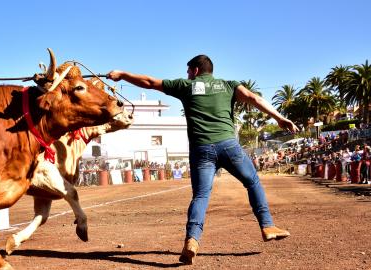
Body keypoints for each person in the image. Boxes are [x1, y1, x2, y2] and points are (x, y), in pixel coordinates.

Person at [106, 55, 299, 265]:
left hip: (201, 149)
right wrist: (279, 118)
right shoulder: (228, 85)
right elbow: (254, 98)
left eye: (188, 71)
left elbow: (150, 83)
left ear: (196, 70)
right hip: (229, 146)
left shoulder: (185, 86)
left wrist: (122, 75)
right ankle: (267, 225)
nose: (187, 75)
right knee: (252, 182)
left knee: (200, 196)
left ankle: (192, 240)